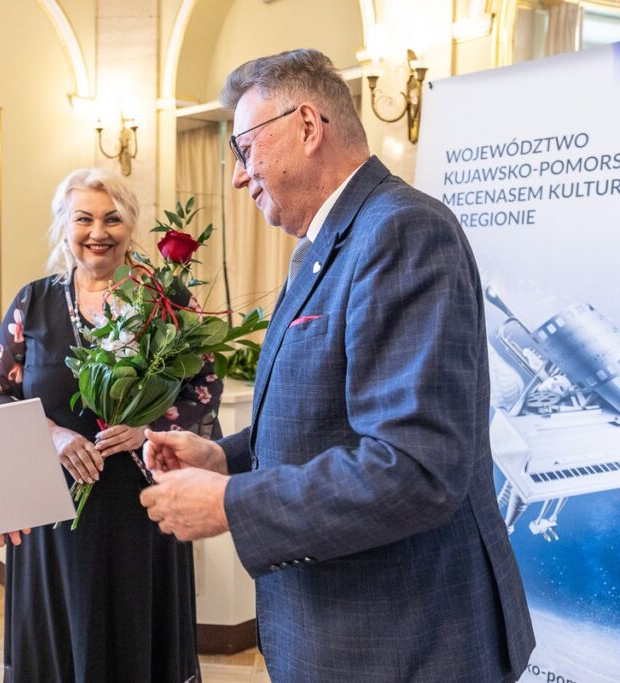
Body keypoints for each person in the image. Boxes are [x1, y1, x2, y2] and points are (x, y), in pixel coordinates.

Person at [139, 49, 536, 682]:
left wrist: (232, 504)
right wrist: (227, 458)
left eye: (244, 150)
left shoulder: (403, 231)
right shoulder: (325, 246)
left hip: (405, 639)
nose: (239, 177)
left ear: (306, 126)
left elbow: (415, 466)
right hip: (341, 632)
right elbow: (327, 418)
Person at [0, 168, 221, 682]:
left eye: (112, 219)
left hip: (144, 508)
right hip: (55, 514)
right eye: (83, 218)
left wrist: (148, 428)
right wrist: (53, 436)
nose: (98, 232)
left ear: (130, 225)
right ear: (63, 227)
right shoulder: (33, 303)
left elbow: (201, 390)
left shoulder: (167, 304)